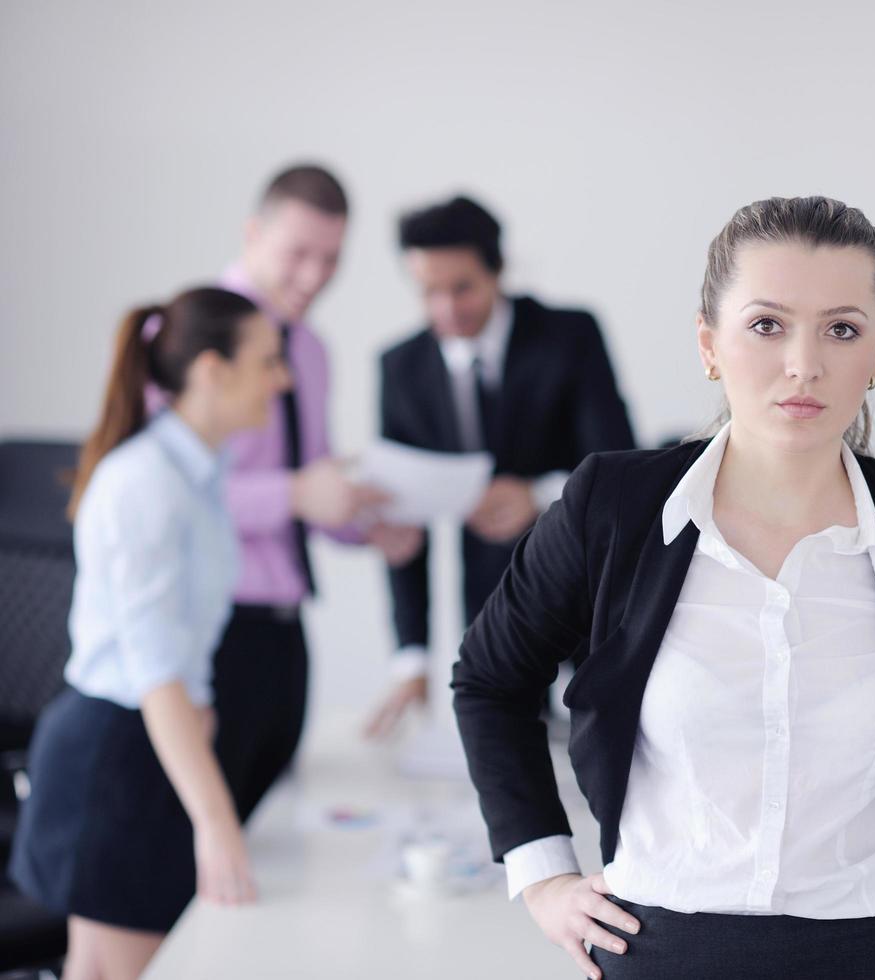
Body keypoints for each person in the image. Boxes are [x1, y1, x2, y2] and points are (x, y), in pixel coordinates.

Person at [452, 196, 875, 979]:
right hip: (659, 949)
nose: (804, 364)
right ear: (709, 343)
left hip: (872, 950)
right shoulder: (616, 507)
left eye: (842, 329)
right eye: (767, 325)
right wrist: (543, 875)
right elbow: (491, 680)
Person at [9, 288, 287, 979]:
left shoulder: (199, 473)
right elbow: (155, 674)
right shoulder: (146, 483)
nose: (282, 380)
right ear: (212, 371)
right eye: (268, 362)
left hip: (160, 745)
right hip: (115, 757)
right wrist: (217, 823)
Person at [365, 194, 635, 736]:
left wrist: (537, 496)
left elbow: (621, 464)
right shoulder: (401, 368)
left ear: (497, 271)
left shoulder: (570, 336)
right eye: (428, 292)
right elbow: (402, 519)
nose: (446, 309)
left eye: (461, 287)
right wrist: (411, 659)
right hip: (494, 608)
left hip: (590, 592)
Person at [206, 164, 410, 817]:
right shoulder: (190, 336)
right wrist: (295, 494)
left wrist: (363, 524)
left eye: (331, 259)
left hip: (286, 633)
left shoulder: (312, 350)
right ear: (252, 233)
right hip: (213, 629)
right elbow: (172, 498)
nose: (314, 276)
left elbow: (314, 480)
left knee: (273, 827)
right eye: (298, 253)